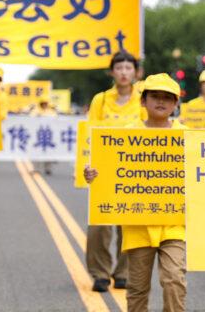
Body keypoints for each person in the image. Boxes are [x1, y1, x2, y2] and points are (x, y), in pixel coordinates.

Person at [85, 73, 187, 312]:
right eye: (155, 96)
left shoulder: (188, 136)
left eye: (168, 97)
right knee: (137, 289)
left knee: (174, 280)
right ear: (143, 101)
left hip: (174, 223)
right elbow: (109, 172)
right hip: (138, 224)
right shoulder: (126, 134)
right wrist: (93, 175)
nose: (161, 102)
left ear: (176, 104)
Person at [86, 51, 146, 292]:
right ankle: (100, 273)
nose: (123, 72)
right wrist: (86, 167)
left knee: (129, 224)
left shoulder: (142, 99)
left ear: (136, 72)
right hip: (103, 171)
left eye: (128, 68)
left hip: (133, 171)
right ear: (111, 72)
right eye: (119, 68)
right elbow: (88, 137)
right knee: (99, 226)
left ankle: (123, 272)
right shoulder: (100, 100)